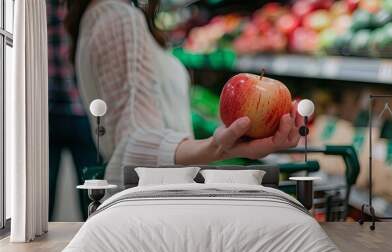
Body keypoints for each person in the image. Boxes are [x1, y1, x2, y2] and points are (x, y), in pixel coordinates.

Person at [65, 0, 302, 185]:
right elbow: (134, 146)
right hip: (155, 200)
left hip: (150, 196)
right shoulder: (120, 19)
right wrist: (216, 147)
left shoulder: (98, 14)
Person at [47, 0, 98, 220]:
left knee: (91, 194)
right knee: (40, 194)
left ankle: (93, 242)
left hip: (81, 111)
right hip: (49, 113)